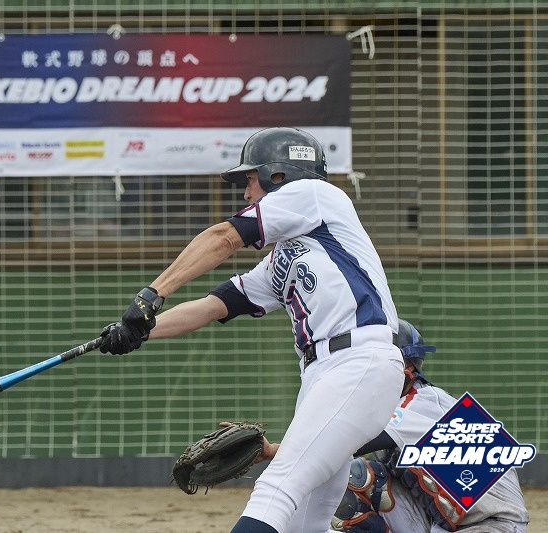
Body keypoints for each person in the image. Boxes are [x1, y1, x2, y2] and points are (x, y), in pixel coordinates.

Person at [99, 126, 405, 532]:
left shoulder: (315, 193)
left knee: (275, 490)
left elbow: (224, 238)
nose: (246, 193)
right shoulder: (287, 257)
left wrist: (152, 294)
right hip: (326, 373)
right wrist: (138, 331)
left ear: (279, 175)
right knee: (304, 522)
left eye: (250, 179)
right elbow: (213, 306)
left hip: (357, 361)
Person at [327, 319, 530, 532]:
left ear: (406, 366)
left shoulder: (424, 402)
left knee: (338, 464)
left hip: (496, 523)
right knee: (358, 478)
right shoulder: (391, 408)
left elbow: (347, 443)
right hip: (444, 523)